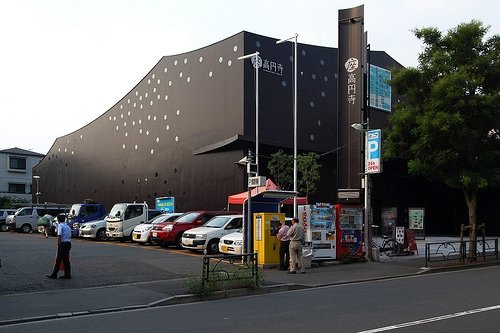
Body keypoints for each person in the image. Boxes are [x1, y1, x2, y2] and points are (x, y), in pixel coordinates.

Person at [46, 214, 72, 279]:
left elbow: (59, 235)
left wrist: (58, 244)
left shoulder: (60, 226)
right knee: (66, 260)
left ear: (58, 220)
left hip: (63, 244)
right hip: (68, 243)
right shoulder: (67, 226)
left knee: (58, 259)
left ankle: (54, 274)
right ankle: (67, 274)